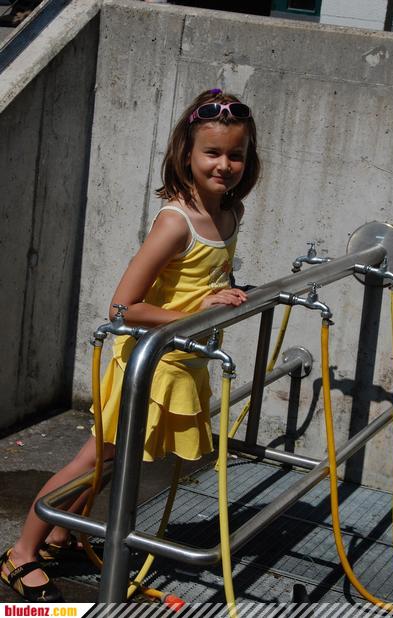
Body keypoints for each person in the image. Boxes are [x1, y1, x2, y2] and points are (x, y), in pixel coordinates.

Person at [0, 88, 261, 602]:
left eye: (236, 154)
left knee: (114, 461)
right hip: (145, 364)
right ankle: (21, 552)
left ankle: (59, 536)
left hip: (178, 364)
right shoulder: (176, 221)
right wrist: (197, 312)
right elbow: (122, 307)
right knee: (93, 461)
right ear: (186, 153)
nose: (224, 165)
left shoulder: (231, 213)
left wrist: (220, 296)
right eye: (212, 152)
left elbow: (199, 283)